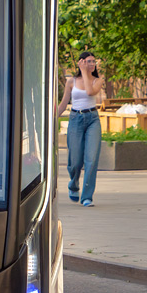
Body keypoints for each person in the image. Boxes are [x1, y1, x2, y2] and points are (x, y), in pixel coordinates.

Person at [56, 51, 105, 206]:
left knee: (91, 159)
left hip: (92, 120)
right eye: (88, 61)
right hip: (75, 119)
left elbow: (90, 92)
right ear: (81, 62)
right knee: (75, 160)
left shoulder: (98, 80)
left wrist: (84, 72)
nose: (91, 64)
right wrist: (51, 120)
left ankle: (87, 197)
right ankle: (73, 184)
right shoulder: (71, 81)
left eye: (93, 62)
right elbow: (64, 104)